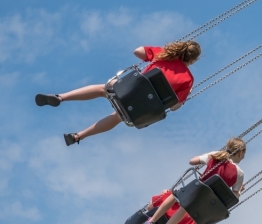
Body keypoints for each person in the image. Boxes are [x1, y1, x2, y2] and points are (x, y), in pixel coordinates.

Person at [35, 40, 201, 146]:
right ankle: (78, 136)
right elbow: (174, 106)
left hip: (130, 90)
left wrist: (164, 50)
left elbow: (137, 51)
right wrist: (189, 91)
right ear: (192, 60)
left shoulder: (164, 55)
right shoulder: (188, 80)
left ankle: (60, 97)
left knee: (103, 89)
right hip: (142, 108)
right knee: (117, 117)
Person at [139, 138, 246, 224]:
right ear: (240, 153)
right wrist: (240, 190)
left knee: (174, 195)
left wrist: (207, 160)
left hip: (196, 192)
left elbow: (192, 161)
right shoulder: (240, 174)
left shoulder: (216, 155)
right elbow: (234, 197)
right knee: (185, 210)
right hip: (207, 204)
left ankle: (150, 222)